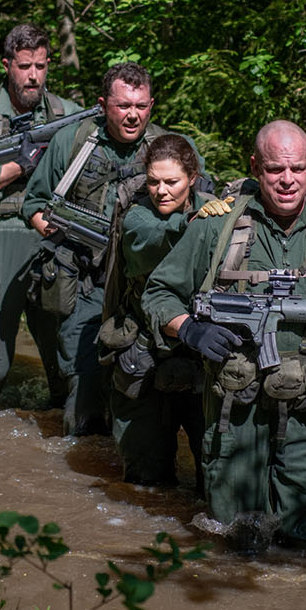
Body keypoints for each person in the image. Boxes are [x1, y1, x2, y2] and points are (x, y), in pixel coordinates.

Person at [142, 120, 306, 551]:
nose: (287, 180)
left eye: (296, 168)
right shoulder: (215, 230)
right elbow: (158, 293)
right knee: (235, 545)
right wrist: (191, 330)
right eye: (276, 169)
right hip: (234, 421)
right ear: (256, 166)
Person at [22, 62, 208, 437]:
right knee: (84, 390)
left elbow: (202, 200)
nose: (133, 115)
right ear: (103, 104)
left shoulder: (169, 148)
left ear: (151, 104)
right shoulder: (71, 142)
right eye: (123, 106)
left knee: (143, 383)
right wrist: (57, 230)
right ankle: (82, 469)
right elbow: (34, 206)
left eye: (141, 106)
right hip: (87, 284)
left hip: (146, 289)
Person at [0, 22, 80, 407]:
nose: (33, 75)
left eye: (41, 66)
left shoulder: (67, 114)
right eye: (25, 66)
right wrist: (16, 168)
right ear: (7, 65)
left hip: (52, 240)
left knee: (68, 367)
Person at [99, 133, 232, 487]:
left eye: (172, 182)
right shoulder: (136, 217)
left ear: (193, 177)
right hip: (145, 352)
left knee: (216, 475)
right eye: (154, 181)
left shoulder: (214, 209)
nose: (161, 191)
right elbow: (152, 240)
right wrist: (195, 224)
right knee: (146, 481)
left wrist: (231, 215)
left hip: (201, 353)